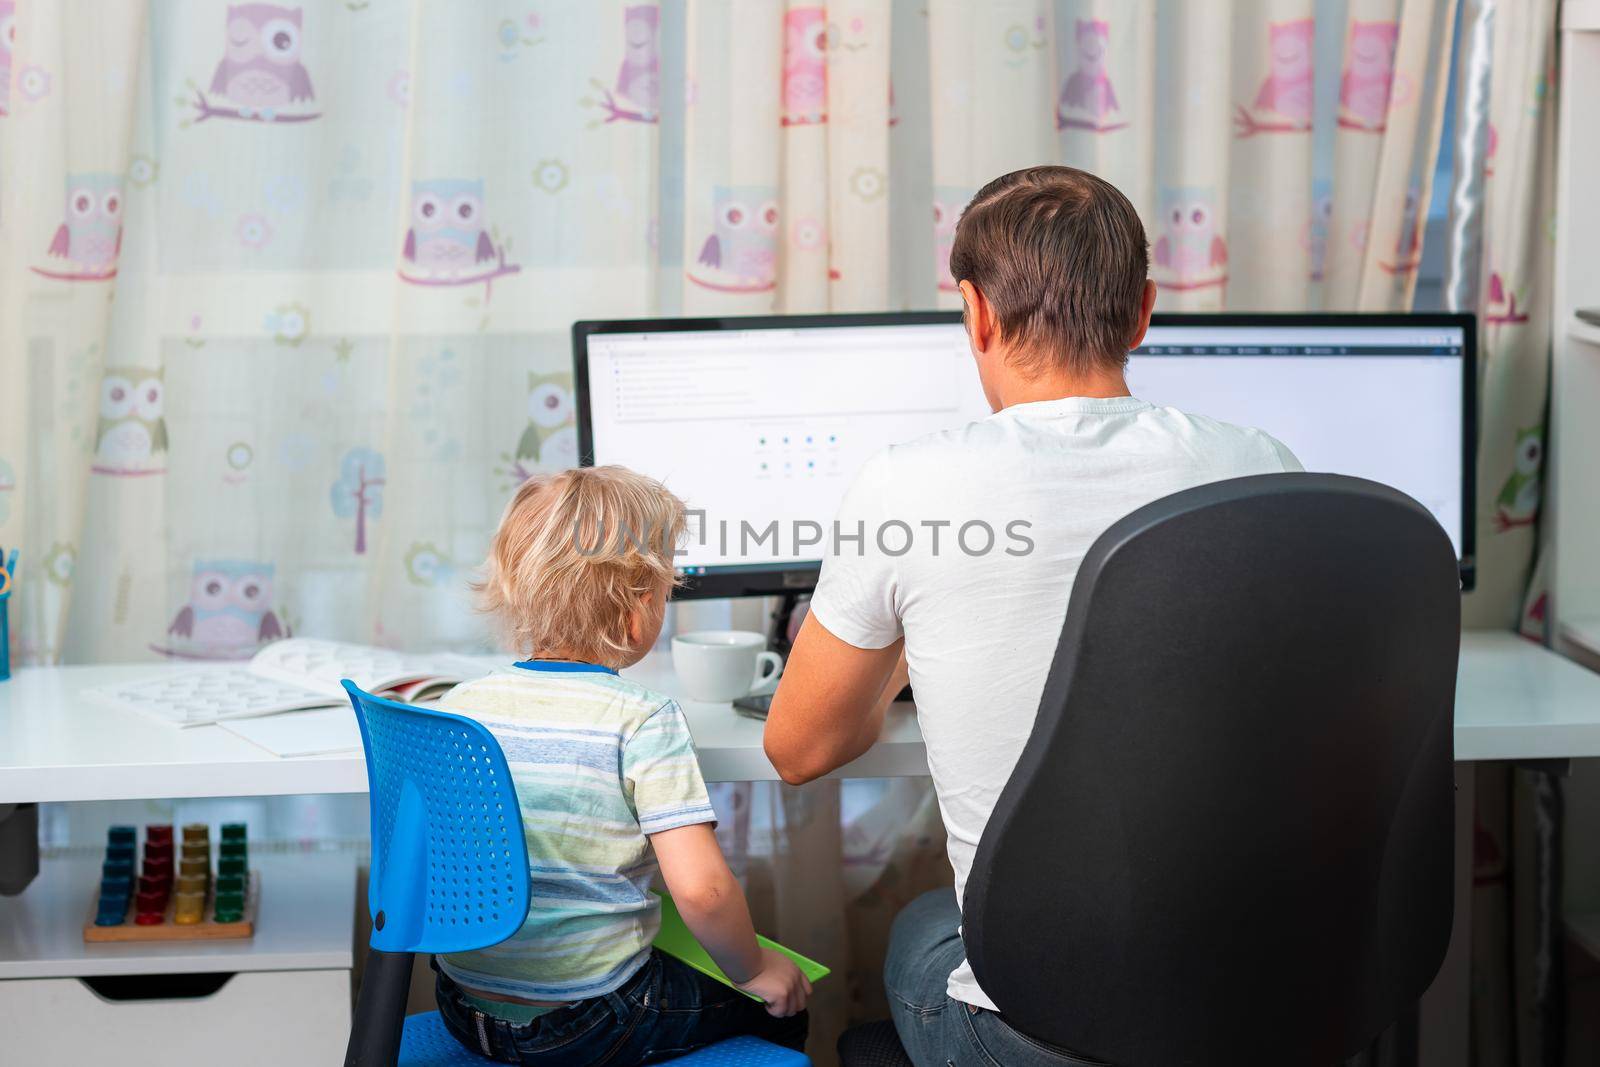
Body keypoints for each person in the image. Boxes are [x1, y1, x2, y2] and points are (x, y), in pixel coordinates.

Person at [764, 165, 1301, 1066]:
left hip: (1040, 1037)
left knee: (928, 923)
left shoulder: (912, 483)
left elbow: (798, 748)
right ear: (1142, 312)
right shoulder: (1267, 465)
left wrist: (909, 635)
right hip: (1247, 1008)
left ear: (975, 313)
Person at [434, 466, 809, 1065]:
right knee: (781, 1003)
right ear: (638, 606)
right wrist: (757, 969)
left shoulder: (457, 709)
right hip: (588, 1018)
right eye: (665, 591)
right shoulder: (641, 719)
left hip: (463, 1006)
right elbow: (704, 892)